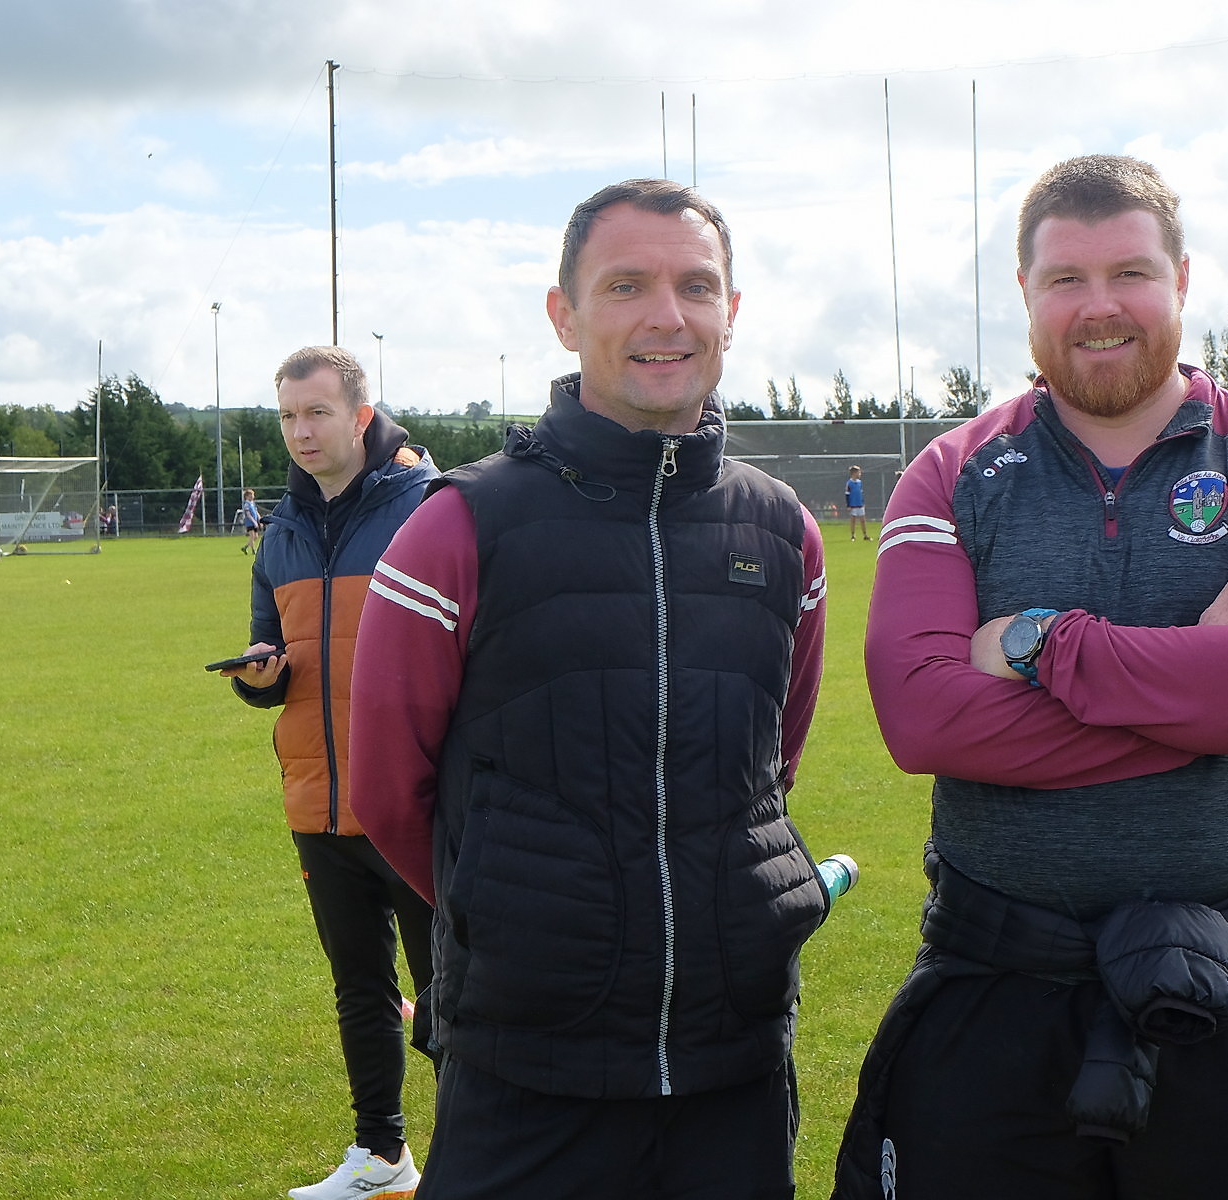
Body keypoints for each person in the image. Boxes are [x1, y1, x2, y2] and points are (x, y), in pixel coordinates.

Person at [831, 155, 1228, 1200]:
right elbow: (922, 721)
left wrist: (1040, 647)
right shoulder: (948, 473)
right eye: (1065, 279)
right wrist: (1209, 692)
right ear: (1026, 297)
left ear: (1181, 279)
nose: (1100, 308)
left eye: (1129, 273)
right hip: (999, 987)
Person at [350, 179, 830, 1200]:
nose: (667, 316)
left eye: (696, 286)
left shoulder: (784, 531)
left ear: (731, 314)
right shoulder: (457, 527)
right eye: (625, 286)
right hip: (531, 1072)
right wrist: (516, 910)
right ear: (564, 316)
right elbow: (393, 796)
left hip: (732, 1067)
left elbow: (770, 764)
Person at [219, 345, 438, 1200]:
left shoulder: (428, 509)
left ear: (359, 414)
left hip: (413, 805)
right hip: (317, 800)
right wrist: (258, 675)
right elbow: (265, 668)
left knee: (450, 999)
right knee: (359, 991)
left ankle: (470, 1157)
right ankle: (381, 1157)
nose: (299, 432)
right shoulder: (280, 530)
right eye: (286, 417)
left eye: (315, 413)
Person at [846, 463, 869, 540]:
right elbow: (847, 494)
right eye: (858, 472)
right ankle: (853, 535)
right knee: (853, 521)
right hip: (853, 505)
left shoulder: (860, 483)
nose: (860, 474)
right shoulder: (849, 483)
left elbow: (861, 493)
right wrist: (848, 505)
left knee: (863, 520)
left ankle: (865, 535)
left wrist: (863, 502)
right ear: (854, 473)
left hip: (860, 504)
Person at [241, 487, 264, 555]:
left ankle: (245, 547)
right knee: (252, 536)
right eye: (251, 495)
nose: (253, 497)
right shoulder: (246, 504)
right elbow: (248, 514)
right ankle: (253, 550)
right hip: (249, 523)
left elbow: (256, 512)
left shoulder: (252, 503)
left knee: (256, 536)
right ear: (247, 496)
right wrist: (254, 522)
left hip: (254, 522)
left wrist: (259, 520)